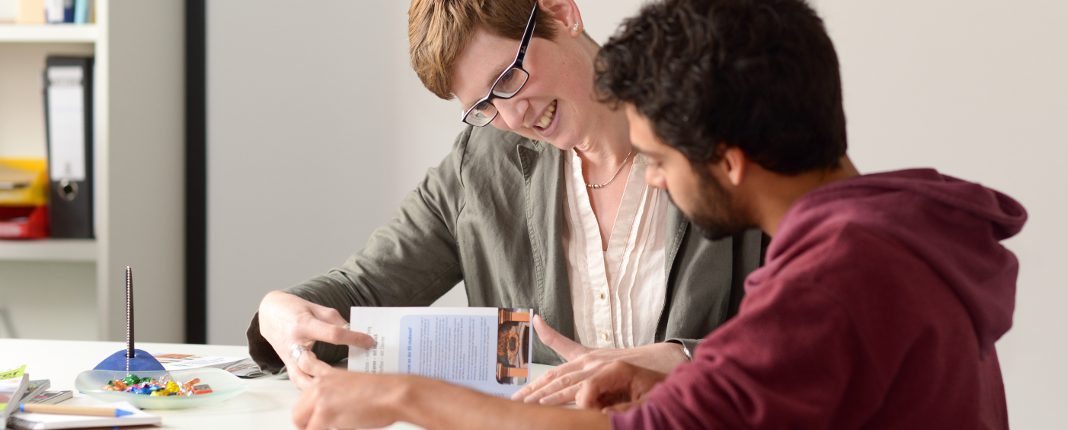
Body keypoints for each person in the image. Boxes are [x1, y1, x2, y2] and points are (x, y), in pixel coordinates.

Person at [288, 0, 1025, 429]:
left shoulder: (828, 283)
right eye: (485, 106)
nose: (658, 186)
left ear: (727, 159)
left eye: (665, 164)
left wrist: (402, 393)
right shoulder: (880, 230)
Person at [247, 0, 766, 405]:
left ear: (561, 15)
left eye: (506, 79)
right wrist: (278, 311)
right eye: (482, 105)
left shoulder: (721, 124)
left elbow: (828, 317)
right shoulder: (482, 164)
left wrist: (686, 359)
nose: (512, 117)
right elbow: (364, 288)